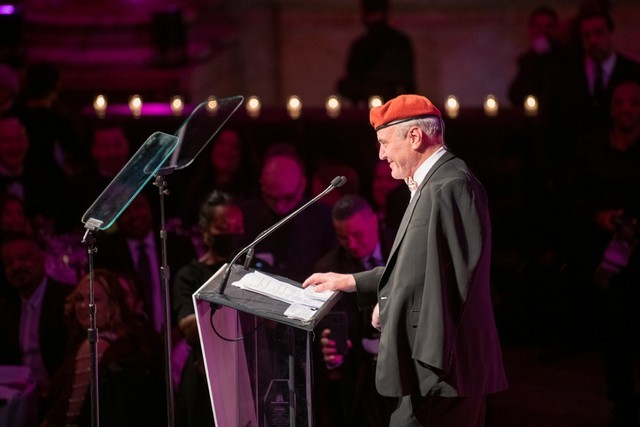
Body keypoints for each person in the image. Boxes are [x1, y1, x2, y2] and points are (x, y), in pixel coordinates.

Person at [303, 94, 507, 426]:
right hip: (433, 369)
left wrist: (388, 304)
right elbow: (420, 269)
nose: (381, 154)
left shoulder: (451, 185)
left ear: (414, 137)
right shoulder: (434, 184)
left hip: (443, 371)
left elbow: (457, 282)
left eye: (385, 143)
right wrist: (350, 281)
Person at [565, 80, 640, 426]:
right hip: (604, 253)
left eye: (634, 103)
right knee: (615, 330)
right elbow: (574, 194)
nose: (626, 109)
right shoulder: (591, 147)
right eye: (620, 102)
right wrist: (600, 216)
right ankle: (622, 400)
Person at [41, 268, 166, 427]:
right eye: (79, 298)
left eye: (94, 299)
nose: (84, 305)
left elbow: (68, 413)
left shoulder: (95, 345)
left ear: (113, 304)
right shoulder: (125, 339)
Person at [313, 194, 396, 426]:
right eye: (342, 237)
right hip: (359, 377)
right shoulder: (329, 269)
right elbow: (323, 330)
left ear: (374, 221)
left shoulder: (403, 247)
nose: (351, 244)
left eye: (358, 234)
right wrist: (330, 347)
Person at [172, 190, 245, 427]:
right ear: (205, 232)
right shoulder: (189, 275)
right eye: (223, 227)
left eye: (237, 227)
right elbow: (188, 327)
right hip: (204, 377)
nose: (231, 234)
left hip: (246, 374)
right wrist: (228, 305)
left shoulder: (252, 272)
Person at [0, 233, 72, 410]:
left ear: (41, 258)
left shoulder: (67, 300)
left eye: (23, 258)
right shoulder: (7, 310)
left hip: (60, 402)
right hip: (19, 405)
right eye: (9, 263)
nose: (16, 266)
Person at [239, 152, 336, 282]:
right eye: (272, 198)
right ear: (262, 186)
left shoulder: (324, 219)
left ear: (302, 186)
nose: (279, 206)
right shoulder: (245, 214)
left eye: (288, 198)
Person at [337, 0, 416, 106]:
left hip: (392, 102)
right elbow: (352, 78)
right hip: (367, 101)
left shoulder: (399, 42)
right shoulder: (360, 45)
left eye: (375, 13)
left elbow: (406, 80)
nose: (373, 18)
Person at [508, 6, 569, 112]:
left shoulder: (567, 59)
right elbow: (515, 96)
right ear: (531, 29)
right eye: (538, 27)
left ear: (556, 30)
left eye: (549, 27)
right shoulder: (526, 60)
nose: (543, 31)